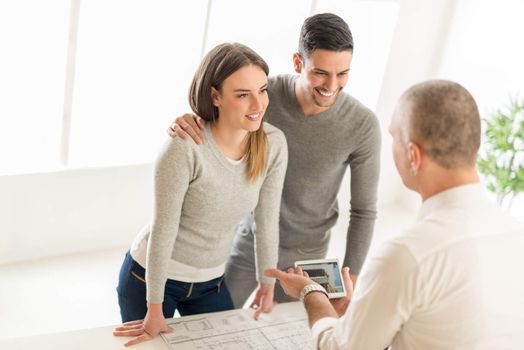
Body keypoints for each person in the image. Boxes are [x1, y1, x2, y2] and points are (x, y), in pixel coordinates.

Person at [266, 80, 524, 349]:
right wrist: (362, 314)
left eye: (394, 138)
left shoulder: (407, 255)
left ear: (413, 155)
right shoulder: (517, 235)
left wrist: (311, 293)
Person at [169, 13, 381, 309]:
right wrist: (191, 120)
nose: (332, 85)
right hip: (247, 242)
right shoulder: (264, 98)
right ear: (298, 62)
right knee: (213, 324)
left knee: (301, 335)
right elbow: (219, 117)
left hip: (309, 256)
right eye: (321, 72)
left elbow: (364, 211)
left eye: (343, 73)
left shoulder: (362, 124)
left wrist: (352, 279)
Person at [113, 42, 288, 346]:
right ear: (215, 96)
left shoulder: (274, 144)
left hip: (211, 282)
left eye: (262, 90)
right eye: (243, 95)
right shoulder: (184, 146)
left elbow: (267, 219)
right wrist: (154, 307)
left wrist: (267, 282)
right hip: (151, 280)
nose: (258, 104)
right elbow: (164, 229)